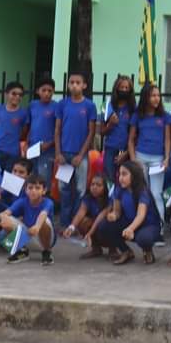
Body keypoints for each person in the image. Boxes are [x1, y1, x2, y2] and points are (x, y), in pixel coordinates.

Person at [54, 71, 98, 229]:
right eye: (71, 82)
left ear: (84, 85)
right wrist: (58, 153)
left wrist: (81, 154)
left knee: (80, 189)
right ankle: (65, 223)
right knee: (63, 189)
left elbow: (91, 132)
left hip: (81, 156)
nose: (74, 85)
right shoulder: (62, 104)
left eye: (78, 82)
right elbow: (57, 129)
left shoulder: (89, 106)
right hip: (64, 155)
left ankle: (76, 223)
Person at [97, 161, 161, 265]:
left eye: (124, 174)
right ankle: (126, 251)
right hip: (129, 222)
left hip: (148, 225)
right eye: (120, 174)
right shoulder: (118, 190)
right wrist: (113, 216)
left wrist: (130, 229)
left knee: (144, 238)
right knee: (104, 226)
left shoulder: (143, 191)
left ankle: (147, 251)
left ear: (134, 175)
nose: (121, 178)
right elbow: (117, 212)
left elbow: (141, 215)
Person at [128, 83, 171, 220]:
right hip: (141, 157)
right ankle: (143, 222)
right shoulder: (137, 116)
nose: (156, 98)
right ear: (145, 97)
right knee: (142, 193)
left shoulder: (165, 116)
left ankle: (160, 225)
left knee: (156, 193)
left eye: (158, 95)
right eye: (153, 95)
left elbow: (168, 140)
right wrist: (134, 160)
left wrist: (166, 159)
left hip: (158, 159)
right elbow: (131, 140)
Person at [0, 173, 55, 265]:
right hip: (29, 234)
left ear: (44, 191)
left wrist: (37, 226)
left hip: (46, 238)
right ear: (26, 190)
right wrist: (3, 216)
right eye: (30, 188)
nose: (33, 191)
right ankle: (22, 250)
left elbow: (43, 214)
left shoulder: (48, 202)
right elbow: (5, 213)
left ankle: (47, 252)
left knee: (44, 222)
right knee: (6, 220)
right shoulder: (22, 201)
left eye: (37, 188)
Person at [63, 173, 111, 259]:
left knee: (108, 224)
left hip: (105, 228)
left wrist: (89, 233)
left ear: (105, 188)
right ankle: (96, 249)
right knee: (83, 222)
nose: (94, 187)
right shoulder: (87, 198)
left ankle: (113, 250)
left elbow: (100, 218)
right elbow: (80, 213)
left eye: (98, 185)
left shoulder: (110, 200)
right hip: (96, 228)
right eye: (92, 184)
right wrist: (71, 227)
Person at [99, 75, 135, 183]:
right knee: (109, 180)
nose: (124, 90)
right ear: (116, 88)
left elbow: (136, 134)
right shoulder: (107, 106)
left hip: (125, 150)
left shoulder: (133, 108)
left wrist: (126, 153)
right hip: (110, 149)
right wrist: (110, 124)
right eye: (121, 87)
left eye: (126, 88)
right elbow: (101, 132)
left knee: (125, 181)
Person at [0, 81, 28, 172]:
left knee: (8, 183)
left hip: (13, 154)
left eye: (20, 95)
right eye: (14, 94)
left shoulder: (24, 113)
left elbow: (24, 134)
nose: (17, 97)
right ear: (6, 94)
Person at [26, 77, 58, 184]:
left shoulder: (56, 107)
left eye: (49, 91)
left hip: (48, 150)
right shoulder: (32, 105)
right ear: (37, 91)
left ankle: (44, 198)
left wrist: (49, 144)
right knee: (31, 175)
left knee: (43, 177)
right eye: (43, 90)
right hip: (32, 148)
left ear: (53, 91)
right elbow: (30, 125)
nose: (46, 93)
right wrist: (26, 143)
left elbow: (59, 129)